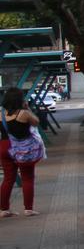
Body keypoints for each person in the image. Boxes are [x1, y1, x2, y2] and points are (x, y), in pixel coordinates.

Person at [1, 87, 43, 217]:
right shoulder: (23, 113)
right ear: (20, 99)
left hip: (4, 147)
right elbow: (36, 122)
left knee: (8, 179)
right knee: (27, 178)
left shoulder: (1, 113)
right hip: (23, 149)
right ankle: (28, 209)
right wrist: (27, 108)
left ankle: (4, 209)